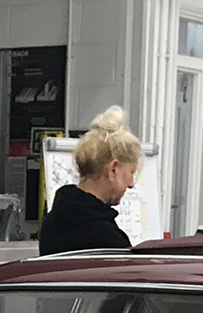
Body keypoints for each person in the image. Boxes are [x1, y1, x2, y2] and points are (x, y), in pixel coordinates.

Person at [40, 106, 141, 255]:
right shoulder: (107, 238)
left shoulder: (52, 221)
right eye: (131, 172)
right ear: (113, 170)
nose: (131, 184)